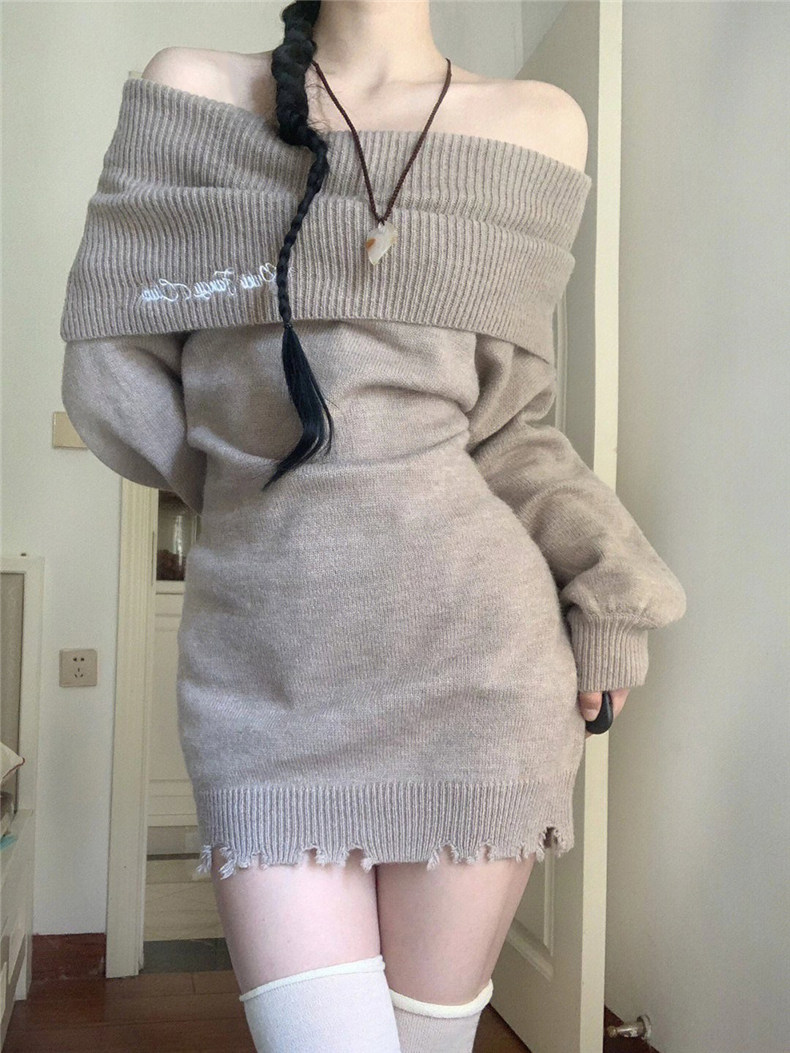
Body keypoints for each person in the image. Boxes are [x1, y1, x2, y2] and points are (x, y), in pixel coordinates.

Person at [59, 2, 687, 1050]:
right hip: (263, 686)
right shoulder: (191, 94)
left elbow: (509, 431)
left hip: (479, 677)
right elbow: (109, 372)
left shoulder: (538, 123)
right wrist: (270, 501)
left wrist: (614, 587)